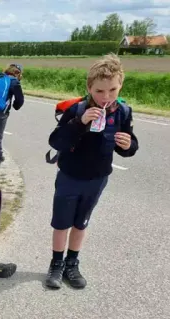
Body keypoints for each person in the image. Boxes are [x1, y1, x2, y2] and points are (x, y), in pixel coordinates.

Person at [45, 54, 138, 290]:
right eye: (99, 91)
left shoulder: (123, 112)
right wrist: (80, 122)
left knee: (81, 223)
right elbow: (56, 141)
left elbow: (128, 147)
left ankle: (72, 264)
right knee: (62, 223)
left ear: (120, 86)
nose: (106, 97)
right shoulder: (76, 110)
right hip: (69, 176)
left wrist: (129, 145)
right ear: (89, 88)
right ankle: (56, 264)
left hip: (97, 178)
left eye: (112, 90)